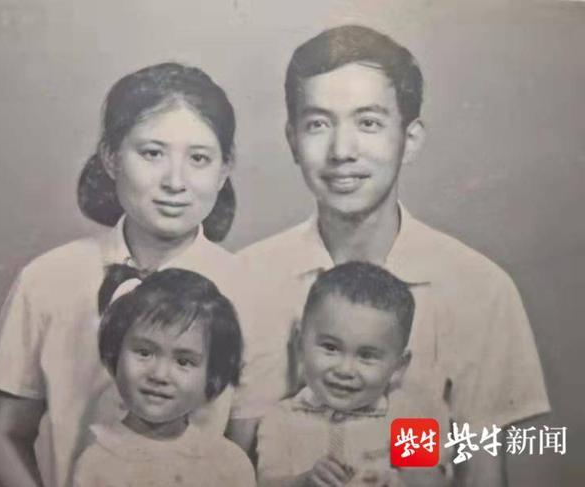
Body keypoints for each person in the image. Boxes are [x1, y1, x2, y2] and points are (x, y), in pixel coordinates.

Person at [233, 25, 550, 485]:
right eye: (318, 124)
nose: (342, 151)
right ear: (292, 139)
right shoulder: (244, 280)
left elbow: (481, 467)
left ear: (411, 138)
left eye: (368, 123)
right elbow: (220, 463)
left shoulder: (479, 287)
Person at [0, 62, 254, 487]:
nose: (175, 181)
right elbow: (4, 434)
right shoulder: (47, 279)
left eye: (199, 158)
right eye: (152, 153)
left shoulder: (251, 290)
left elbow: (248, 452)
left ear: (224, 169)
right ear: (110, 157)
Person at [257, 262, 450, 487]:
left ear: (398, 367)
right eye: (330, 348)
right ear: (300, 344)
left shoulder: (407, 417)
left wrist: (398, 481)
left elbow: (431, 483)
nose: (345, 370)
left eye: (366, 356)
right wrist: (304, 482)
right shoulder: (281, 419)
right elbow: (266, 483)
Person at [72, 267, 255, 487]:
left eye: (183, 362)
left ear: (212, 375)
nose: (159, 375)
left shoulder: (229, 464)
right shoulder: (96, 464)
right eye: (144, 353)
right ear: (115, 352)